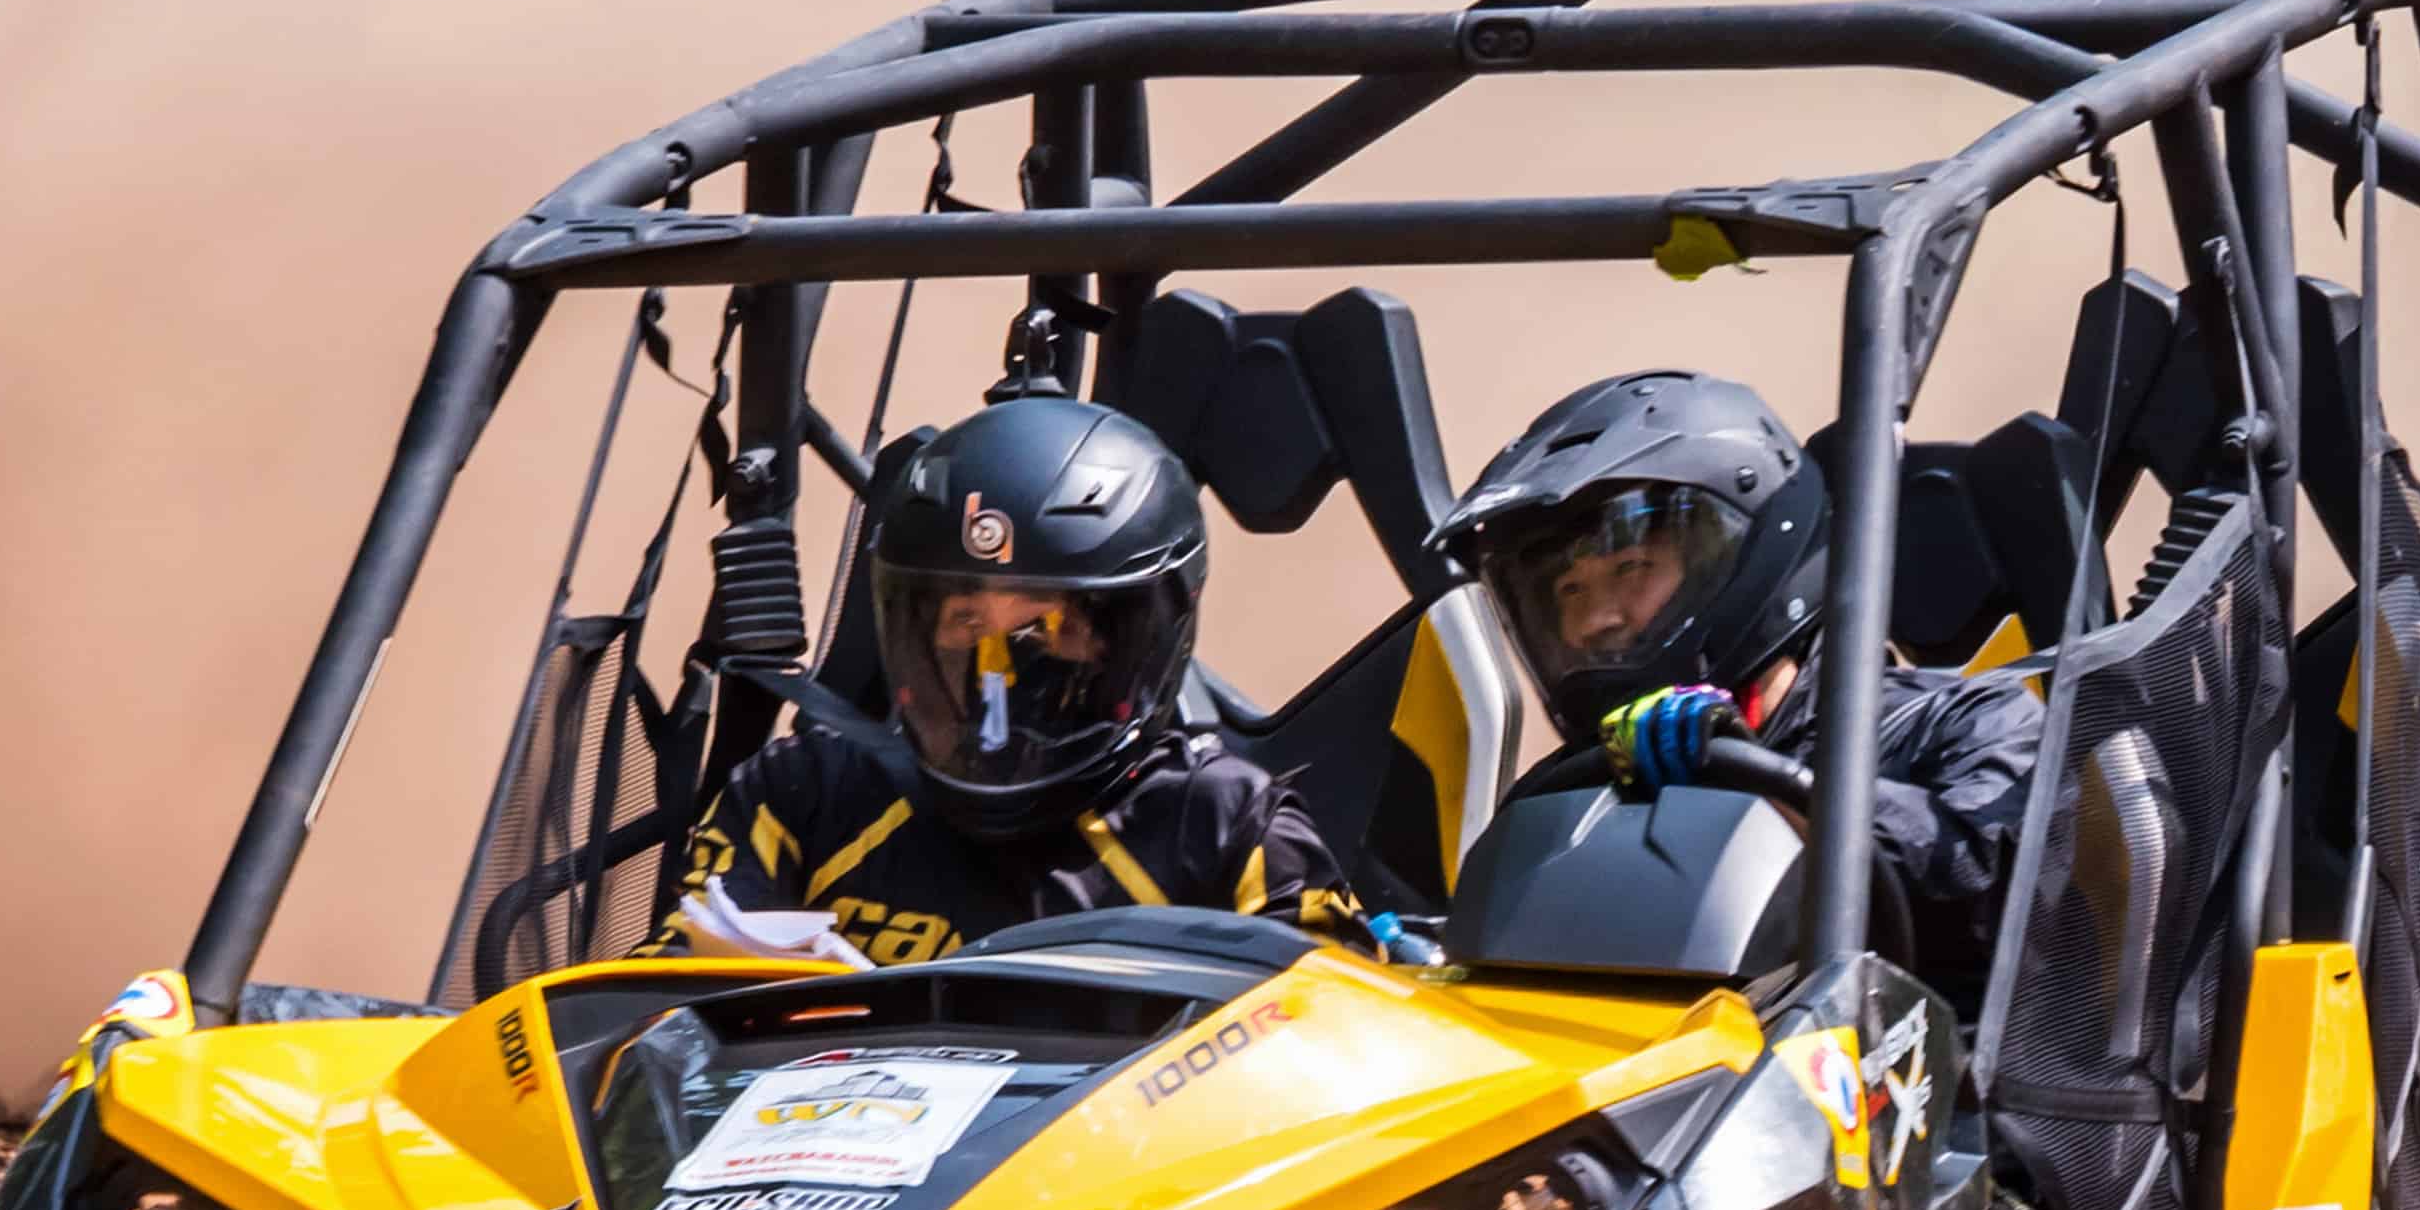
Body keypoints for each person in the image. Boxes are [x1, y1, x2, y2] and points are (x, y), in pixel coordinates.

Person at [668, 388, 1354, 969]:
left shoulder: (1226, 830)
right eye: (967, 624)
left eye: (1043, 630)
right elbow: (656, 1031)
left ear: (1136, 637)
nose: (999, 671)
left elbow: (1346, 1057)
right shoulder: (800, 796)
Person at [1437, 372, 2042, 1004]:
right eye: (1570, 591)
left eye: (1631, 569)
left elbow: (1990, 891)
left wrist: (1755, 778)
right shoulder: (1586, 781)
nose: (1597, 620)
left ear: (1744, 559)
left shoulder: (1966, 720)